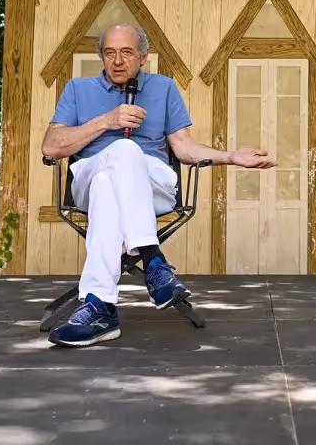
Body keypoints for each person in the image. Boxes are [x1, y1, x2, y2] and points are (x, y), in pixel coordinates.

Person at [42, 22, 276, 347]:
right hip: (88, 173)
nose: (118, 60)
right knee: (115, 160)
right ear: (102, 57)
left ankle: (100, 307)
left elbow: (184, 147)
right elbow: (51, 147)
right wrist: (106, 121)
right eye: (110, 53)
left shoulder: (163, 88)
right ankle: (153, 261)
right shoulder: (78, 89)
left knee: (107, 188)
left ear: (143, 56)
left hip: (152, 183)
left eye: (127, 52)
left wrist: (232, 157)